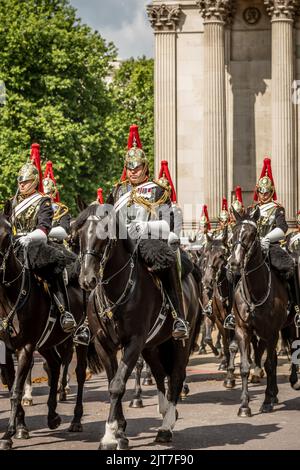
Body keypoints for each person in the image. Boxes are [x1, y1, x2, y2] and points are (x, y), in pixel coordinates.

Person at [112, 125, 189, 340]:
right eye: (129, 167)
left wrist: (144, 227)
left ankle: (178, 317)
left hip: (148, 240)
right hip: (122, 242)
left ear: (145, 168)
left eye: (137, 167)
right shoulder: (118, 190)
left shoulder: (157, 190)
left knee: (166, 260)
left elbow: (167, 224)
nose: (133, 171)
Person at [9, 144, 76, 333]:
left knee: (52, 268)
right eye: (20, 182)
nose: (21, 185)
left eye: (26, 181)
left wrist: (29, 238)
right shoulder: (13, 203)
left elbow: (44, 229)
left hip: (35, 245)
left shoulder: (43, 201)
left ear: (34, 181)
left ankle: (65, 312)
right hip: (14, 245)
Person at [226, 157, 297, 328]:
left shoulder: (277, 208)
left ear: (271, 192)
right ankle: (231, 312)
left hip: (271, 246)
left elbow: (283, 227)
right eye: (261, 191)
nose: (264, 195)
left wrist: (267, 239)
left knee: (290, 267)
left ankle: (295, 307)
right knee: (230, 270)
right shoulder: (251, 210)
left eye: (267, 192)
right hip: (251, 248)